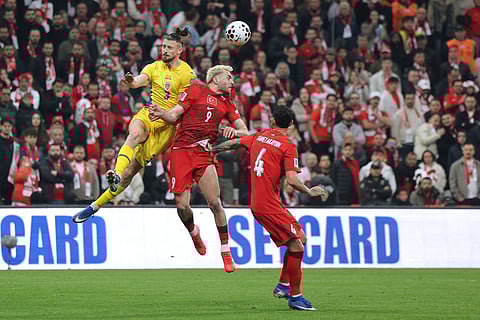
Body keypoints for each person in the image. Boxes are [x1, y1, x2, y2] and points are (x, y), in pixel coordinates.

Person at [211, 105, 327, 311]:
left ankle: (283, 285)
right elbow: (292, 180)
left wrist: (214, 149)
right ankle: (295, 297)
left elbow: (234, 143)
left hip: (263, 202)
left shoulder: (259, 136)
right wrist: (309, 191)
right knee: (297, 247)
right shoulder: (288, 146)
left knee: (301, 238)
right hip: (268, 204)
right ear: (291, 124)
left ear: (272, 121)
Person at [73, 29, 195, 223]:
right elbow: (138, 81)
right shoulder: (154, 67)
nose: (164, 50)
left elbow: (184, 106)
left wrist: (166, 114)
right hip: (149, 114)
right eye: (163, 47)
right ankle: (115, 174)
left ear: (180, 50)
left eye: (169, 48)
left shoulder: (187, 73)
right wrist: (131, 81)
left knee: (131, 172)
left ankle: (96, 205)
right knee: (134, 133)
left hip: (167, 127)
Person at [147, 65, 249, 273]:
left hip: (204, 153)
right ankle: (194, 232)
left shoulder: (227, 103)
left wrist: (233, 130)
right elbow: (175, 115)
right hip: (181, 152)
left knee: (215, 203)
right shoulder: (195, 90)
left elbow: (245, 131)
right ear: (215, 79)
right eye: (228, 77)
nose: (231, 81)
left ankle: (225, 251)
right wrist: (161, 112)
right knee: (182, 206)